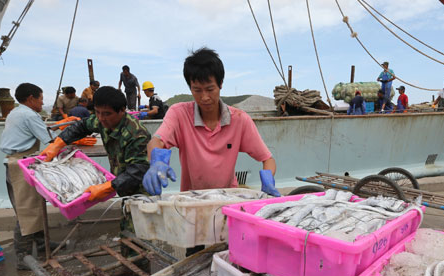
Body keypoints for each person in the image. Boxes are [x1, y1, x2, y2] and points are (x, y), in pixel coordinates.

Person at [142, 47, 280, 256]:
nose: (204, 97)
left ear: (220, 85)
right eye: (197, 90)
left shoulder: (240, 120)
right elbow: (157, 141)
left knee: (230, 257)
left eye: (210, 89)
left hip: (228, 206)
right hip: (192, 207)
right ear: (190, 87)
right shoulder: (179, 113)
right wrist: (156, 161)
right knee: (194, 260)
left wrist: (268, 179)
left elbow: (267, 158)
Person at [39, 86, 151, 251]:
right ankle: (129, 267)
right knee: (127, 227)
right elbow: (81, 126)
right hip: (121, 182)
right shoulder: (102, 120)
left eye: (106, 114)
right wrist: (58, 144)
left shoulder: (137, 134)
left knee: (138, 231)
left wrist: (107, 187)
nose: (101, 118)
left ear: (122, 111)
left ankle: (139, 269)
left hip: (140, 188)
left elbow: (137, 171)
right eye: (97, 112)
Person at [0, 83, 58, 270]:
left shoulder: (16, 112)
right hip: (20, 164)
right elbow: (52, 139)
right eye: (41, 99)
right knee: (27, 211)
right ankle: (22, 257)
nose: (42, 102)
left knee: (35, 206)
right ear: (31, 98)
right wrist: (73, 138)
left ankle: (43, 245)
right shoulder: (29, 115)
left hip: (14, 162)